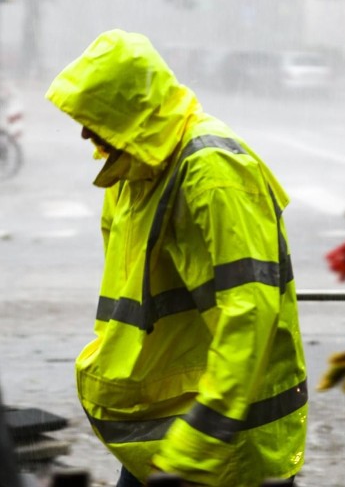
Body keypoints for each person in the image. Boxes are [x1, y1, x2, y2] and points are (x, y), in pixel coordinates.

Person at [45, 29, 308, 487]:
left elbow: (250, 313)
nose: (86, 131)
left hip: (220, 447)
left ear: (132, 110)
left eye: (96, 115)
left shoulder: (211, 169)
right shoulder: (132, 174)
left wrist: (201, 440)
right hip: (170, 437)